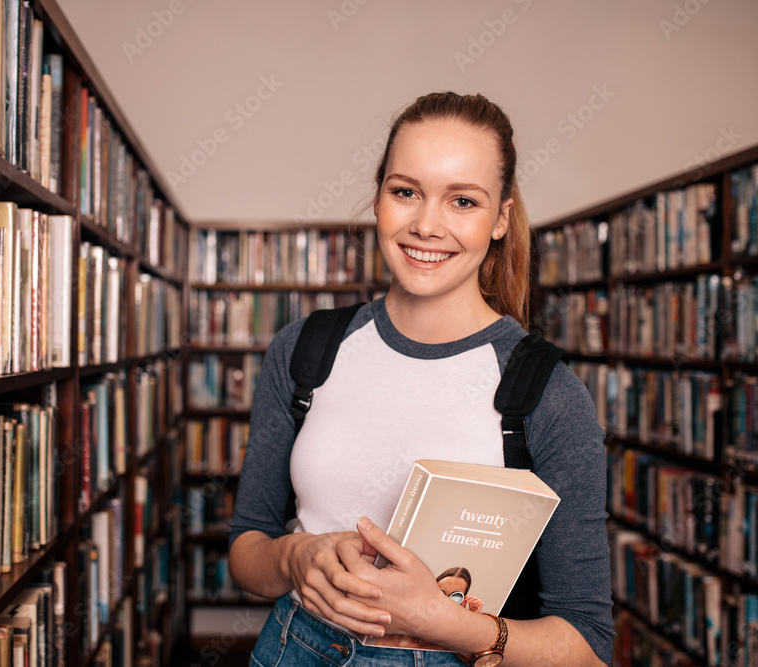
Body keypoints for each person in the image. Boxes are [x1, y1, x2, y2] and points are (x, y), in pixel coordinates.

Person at [227, 91, 614, 666]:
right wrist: (294, 559)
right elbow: (246, 550)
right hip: (293, 647)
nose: (426, 225)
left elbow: (588, 647)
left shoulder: (547, 394)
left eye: (462, 201)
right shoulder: (307, 349)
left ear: (501, 218)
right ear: (379, 197)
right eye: (405, 192)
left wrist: (444, 621)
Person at [371, 566, 484, 650]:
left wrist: (473, 617)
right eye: (440, 593)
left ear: (463, 601)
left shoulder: (458, 636)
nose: (446, 601)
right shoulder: (408, 617)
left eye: (455, 597)